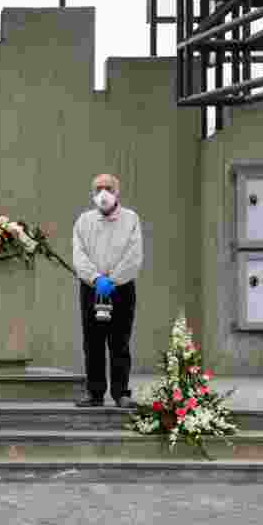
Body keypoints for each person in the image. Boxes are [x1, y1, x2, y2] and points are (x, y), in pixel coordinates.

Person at [72, 173, 144, 408]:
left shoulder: (131, 219)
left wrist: (113, 280)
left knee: (119, 342)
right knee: (92, 342)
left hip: (121, 289)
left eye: (108, 188)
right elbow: (79, 254)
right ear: (92, 193)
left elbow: (134, 255)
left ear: (117, 192)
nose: (104, 193)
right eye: (99, 188)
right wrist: (95, 278)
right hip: (92, 289)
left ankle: (121, 392)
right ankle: (94, 393)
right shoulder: (84, 221)